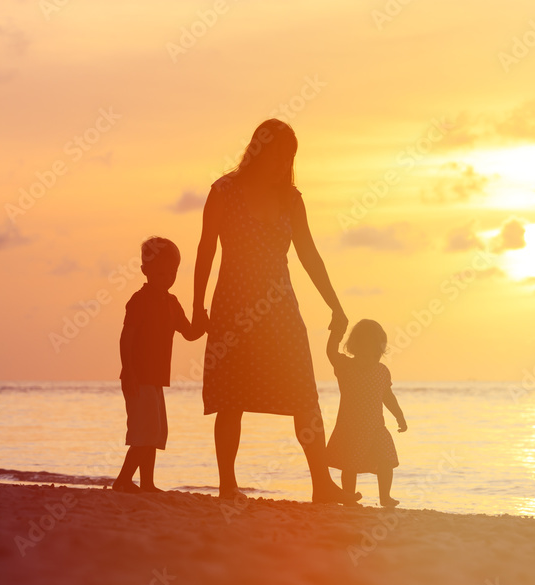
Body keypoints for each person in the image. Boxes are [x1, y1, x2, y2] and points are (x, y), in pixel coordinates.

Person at [192, 118, 359, 505]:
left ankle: (322, 484)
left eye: (290, 158)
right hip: (233, 305)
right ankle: (227, 485)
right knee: (231, 398)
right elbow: (205, 249)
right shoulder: (224, 191)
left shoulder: (291, 199)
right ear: (259, 151)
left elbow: (309, 255)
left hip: (280, 308)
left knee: (303, 392)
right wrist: (197, 305)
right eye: (279, 156)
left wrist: (335, 304)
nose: (284, 165)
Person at [112, 236, 205, 493]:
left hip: (156, 378)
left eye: (172, 272)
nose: (167, 277)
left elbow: (189, 332)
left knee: (154, 433)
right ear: (145, 270)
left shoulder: (172, 303)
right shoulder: (139, 300)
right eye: (161, 272)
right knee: (144, 433)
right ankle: (122, 481)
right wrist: (128, 371)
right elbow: (126, 337)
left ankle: (148, 483)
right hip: (138, 377)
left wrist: (205, 319)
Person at [325, 319, 407, 507]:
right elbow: (330, 352)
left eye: (377, 354)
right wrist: (335, 333)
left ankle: (385, 497)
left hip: (377, 428)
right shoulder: (345, 366)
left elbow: (387, 396)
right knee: (349, 465)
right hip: (350, 428)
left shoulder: (382, 371)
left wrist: (399, 415)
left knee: (386, 459)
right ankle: (348, 497)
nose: (372, 359)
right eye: (367, 353)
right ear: (356, 348)